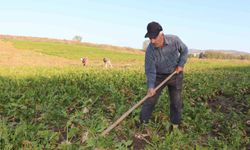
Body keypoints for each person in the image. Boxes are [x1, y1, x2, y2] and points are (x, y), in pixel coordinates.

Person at [139, 21, 188, 131]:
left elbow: (185, 50)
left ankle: (175, 125)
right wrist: (151, 86)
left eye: (154, 37)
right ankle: (142, 124)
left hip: (175, 74)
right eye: (150, 38)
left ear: (161, 34)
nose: (152, 41)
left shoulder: (174, 40)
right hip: (158, 76)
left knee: (176, 101)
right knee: (150, 99)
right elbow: (150, 70)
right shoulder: (150, 50)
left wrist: (181, 64)